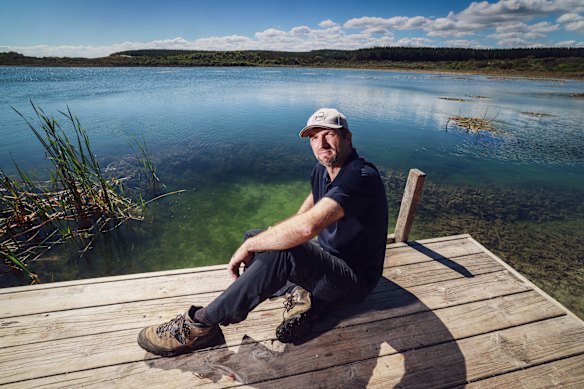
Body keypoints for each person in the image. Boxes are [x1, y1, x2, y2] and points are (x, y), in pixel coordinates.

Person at [137, 108, 388, 357]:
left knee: (275, 250)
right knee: (255, 235)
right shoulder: (322, 170)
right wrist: (265, 237)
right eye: (313, 137)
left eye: (328, 134)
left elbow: (307, 228)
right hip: (330, 264)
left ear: (347, 137)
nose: (320, 143)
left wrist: (256, 247)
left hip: (354, 281)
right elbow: (308, 211)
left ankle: (199, 325)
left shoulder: (361, 176)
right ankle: (301, 294)